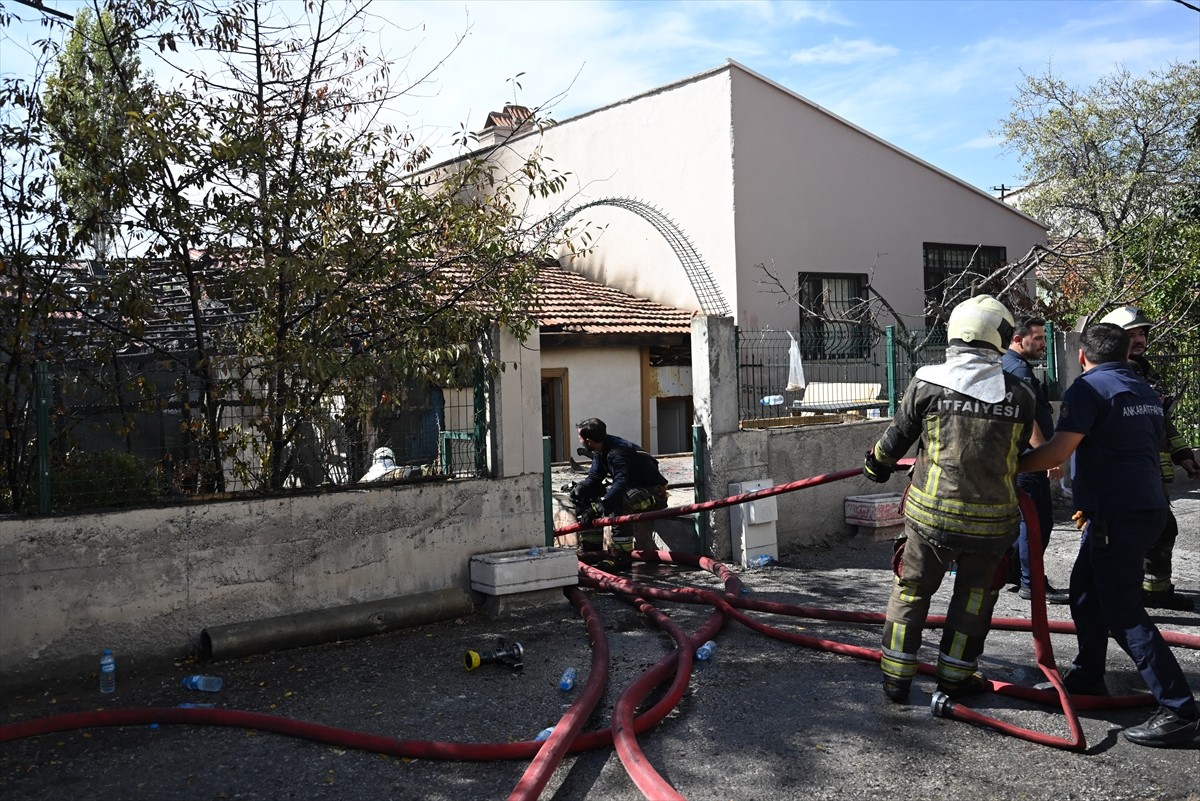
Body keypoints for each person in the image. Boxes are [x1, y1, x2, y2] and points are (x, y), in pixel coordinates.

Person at [1017, 323, 1199, 747]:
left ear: (1082, 356)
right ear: (1126, 354)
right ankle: (1088, 674)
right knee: (1083, 590)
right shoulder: (1143, 389)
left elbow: (1059, 451)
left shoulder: (1089, 389)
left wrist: (1007, 468)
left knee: (1123, 611)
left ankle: (1179, 708)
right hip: (1145, 507)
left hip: (1116, 514)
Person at [864, 295, 1036, 703]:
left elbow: (895, 439)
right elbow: (1015, 452)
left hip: (930, 519)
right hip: (992, 526)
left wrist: (876, 466)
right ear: (1001, 337)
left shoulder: (927, 382)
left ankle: (896, 679)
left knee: (911, 592)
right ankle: (955, 677)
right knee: (974, 599)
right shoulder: (1021, 394)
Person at [1098, 305, 1198, 611]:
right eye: (1132, 334)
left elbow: (1162, 421)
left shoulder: (1143, 370)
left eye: (1142, 333)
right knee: (1131, 536)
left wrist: (1183, 454)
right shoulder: (1110, 376)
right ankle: (1125, 598)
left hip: (1151, 472)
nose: (1140, 339)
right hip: (1128, 474)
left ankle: (1153, 591)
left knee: (1162, 529)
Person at [1002, 317, 1069, 604]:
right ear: (1019, 339)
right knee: (1037, 522)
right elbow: (1027, 419)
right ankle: (1031, 582)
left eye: (1044, 338)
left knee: (1024, 522)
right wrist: (1047, 457)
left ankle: (1017, 575)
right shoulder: (1019, 371)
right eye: (1038, 338)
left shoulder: (1012, 366)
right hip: (1030, 460)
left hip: (1019, 459)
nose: (1043, 343)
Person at [570, 418, 669, 569]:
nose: (580, 441)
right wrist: (580, 489)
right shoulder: (600, 449)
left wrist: (599, 506)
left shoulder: (617, 452)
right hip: (632, 488)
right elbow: (595, 478)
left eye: (580, 438)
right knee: (586, 493)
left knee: (619, 500)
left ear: (588, 441)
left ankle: (621, 556)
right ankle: (591, 550)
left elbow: (620, 484)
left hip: (654, 492)